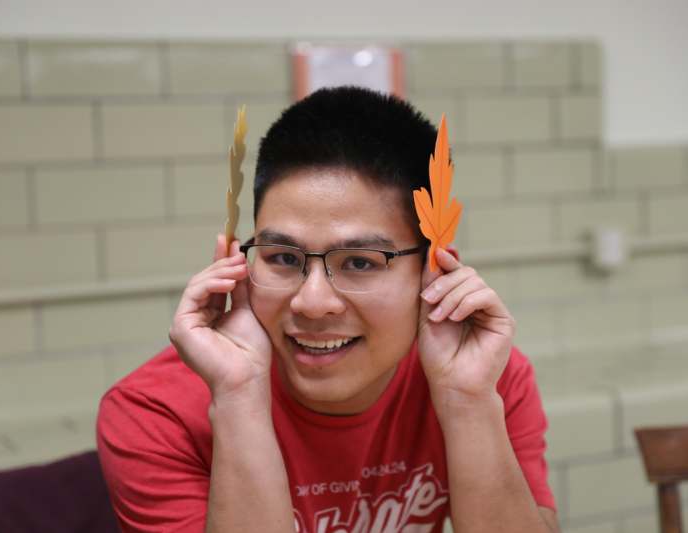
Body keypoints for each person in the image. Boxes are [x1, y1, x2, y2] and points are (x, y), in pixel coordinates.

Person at [97, 86, 559, 533]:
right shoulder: (155, 412)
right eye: (282, 258)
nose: (312, 303)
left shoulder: (485, 379)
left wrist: (467, 403)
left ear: (434, 270)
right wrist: (238, 394)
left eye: (359, 262)